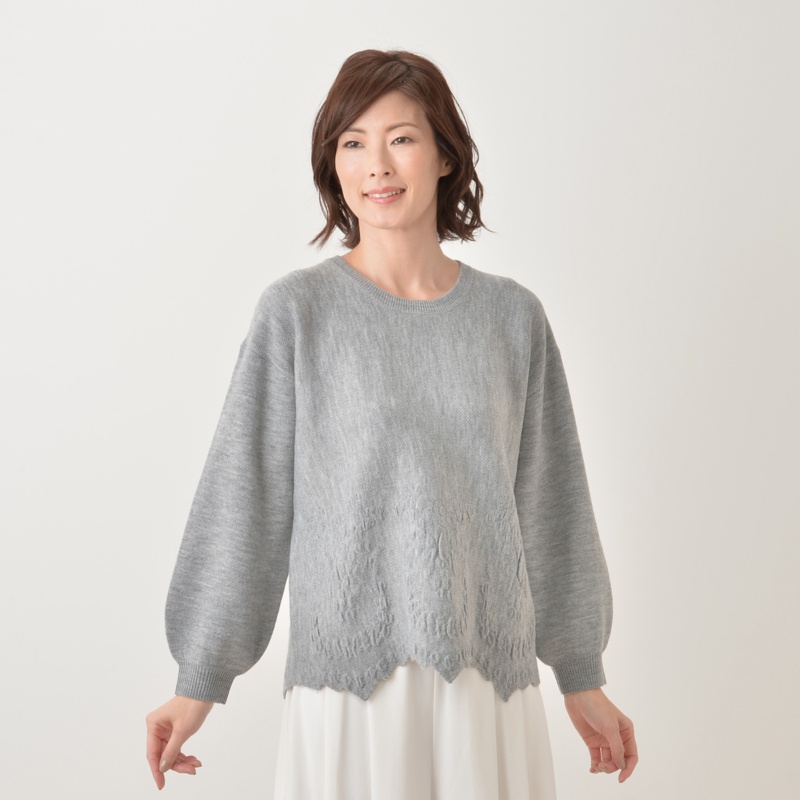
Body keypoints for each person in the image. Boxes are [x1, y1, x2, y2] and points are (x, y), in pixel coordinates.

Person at [145, 49, 638, 798]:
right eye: (353, 143)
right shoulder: (297, 314)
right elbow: (246, 497)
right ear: (333, 165)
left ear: (445, 156)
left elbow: (552, 503)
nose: (377, 164)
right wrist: (198, 679)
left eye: (402, 138)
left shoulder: (512, 319)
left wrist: (582, 672)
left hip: (486, 688)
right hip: (348, 695)